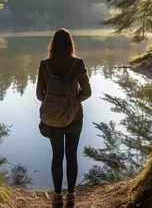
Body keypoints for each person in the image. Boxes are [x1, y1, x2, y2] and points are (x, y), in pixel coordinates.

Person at [36, 28, 92, 208]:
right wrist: (74, 101)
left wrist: (54, 102)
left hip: (53, 119)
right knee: (72, 156)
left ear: (52, 44)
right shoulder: (78, 63)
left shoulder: (44, 64)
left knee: (57, 156)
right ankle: (72, 196)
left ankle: (58, 196)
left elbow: (39, 95)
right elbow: (88, 92)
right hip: (75, 117)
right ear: (70, 44)